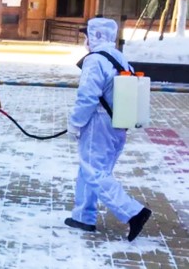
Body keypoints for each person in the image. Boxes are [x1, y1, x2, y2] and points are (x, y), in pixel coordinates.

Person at [66, 17, 152, 241]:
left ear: (96, 35)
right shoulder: (119, 58)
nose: (85, 39)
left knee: (95, 172)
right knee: (92, 170)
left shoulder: (95, 60)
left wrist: (75, 123)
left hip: (99, 123)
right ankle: (83, 216)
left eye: (87, 35)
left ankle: (133, 212)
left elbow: (87, 95)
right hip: (117, 124)